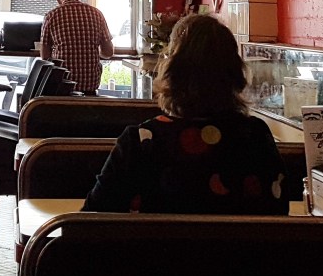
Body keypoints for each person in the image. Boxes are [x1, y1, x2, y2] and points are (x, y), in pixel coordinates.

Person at [83, 13, 289, 214]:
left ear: (172, 72)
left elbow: (89, 222)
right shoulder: (255, 137)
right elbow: (278, 214)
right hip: (240, 250)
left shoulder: (140, 142)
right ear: (234, 73)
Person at [40, 0, 114, 95]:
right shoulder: (96, 14)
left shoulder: (51, 15)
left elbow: (45, 55)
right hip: (90, 86)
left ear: (59, 1)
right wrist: (91, 51)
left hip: (62, 85)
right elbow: (108, 52)